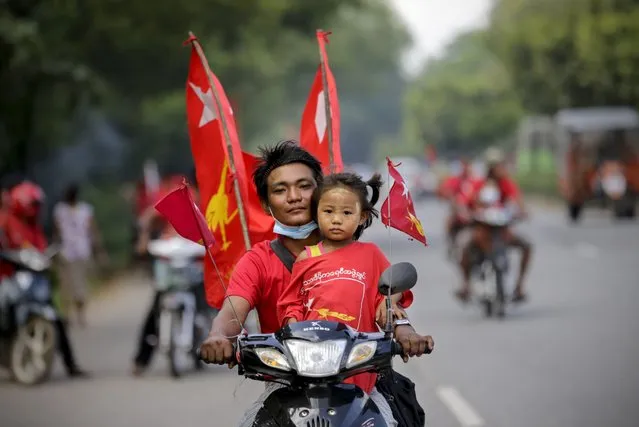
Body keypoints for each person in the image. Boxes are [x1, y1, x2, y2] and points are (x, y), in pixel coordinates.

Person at [198, 140, 434, 427]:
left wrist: (404, 330)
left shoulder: (364, 255)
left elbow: (386, 305)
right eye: (280, 190)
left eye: (304, 186)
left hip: (363, 385)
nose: (294, 196)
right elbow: (231, 313)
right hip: (288, 390)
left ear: (321, 190)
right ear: (265, 204)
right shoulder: (256, 261)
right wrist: (218, 337)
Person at [277, 172, 413, 426]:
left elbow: (390, 289)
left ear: (362, 217)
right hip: (310, 372)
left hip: (360, 370)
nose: (336, 220)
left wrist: (389, 306)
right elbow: (291, 303)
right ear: (316, 213)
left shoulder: (371, 254)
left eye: (346, 213)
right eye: (328, 211)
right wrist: (291, 326)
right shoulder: (306, 259)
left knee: (387, 421)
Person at [0, 180, 89, 378]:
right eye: (34, 205)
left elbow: (41, 249)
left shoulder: (34, 228)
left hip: (32, 281)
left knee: (56, 318)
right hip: (7, 278)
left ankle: (71, 364)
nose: (37, 209)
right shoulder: (5, 222)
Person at [455, 150, 533, 303]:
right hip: (481, 228)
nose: (501, 169)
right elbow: (463, 202)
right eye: (498, 166)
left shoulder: (505, 183)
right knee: (463, 245)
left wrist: (522, 211)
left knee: (527, 246)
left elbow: (517, 199)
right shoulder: (478, 183)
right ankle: (465, 285)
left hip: (502, 229)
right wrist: (465, 213)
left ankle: (519, 287)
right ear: (490, 168)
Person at [53, 183, 105, 326]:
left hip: (80, 252)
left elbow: (92, 230)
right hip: (67, 253)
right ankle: (68, 315)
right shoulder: (61, 211)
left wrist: (99, 249)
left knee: (78, 286)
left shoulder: (84, 210)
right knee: (67, 286)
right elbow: (57, 232)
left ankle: (78, 315)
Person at [439, 158, 481, 256]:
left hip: (475, 211)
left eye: (468, 166)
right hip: (459, 210)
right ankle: (452, 244)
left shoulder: (476, 181)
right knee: (449, 222)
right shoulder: (455, 180)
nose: (466, 168)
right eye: (464, 166)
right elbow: (447, 192)